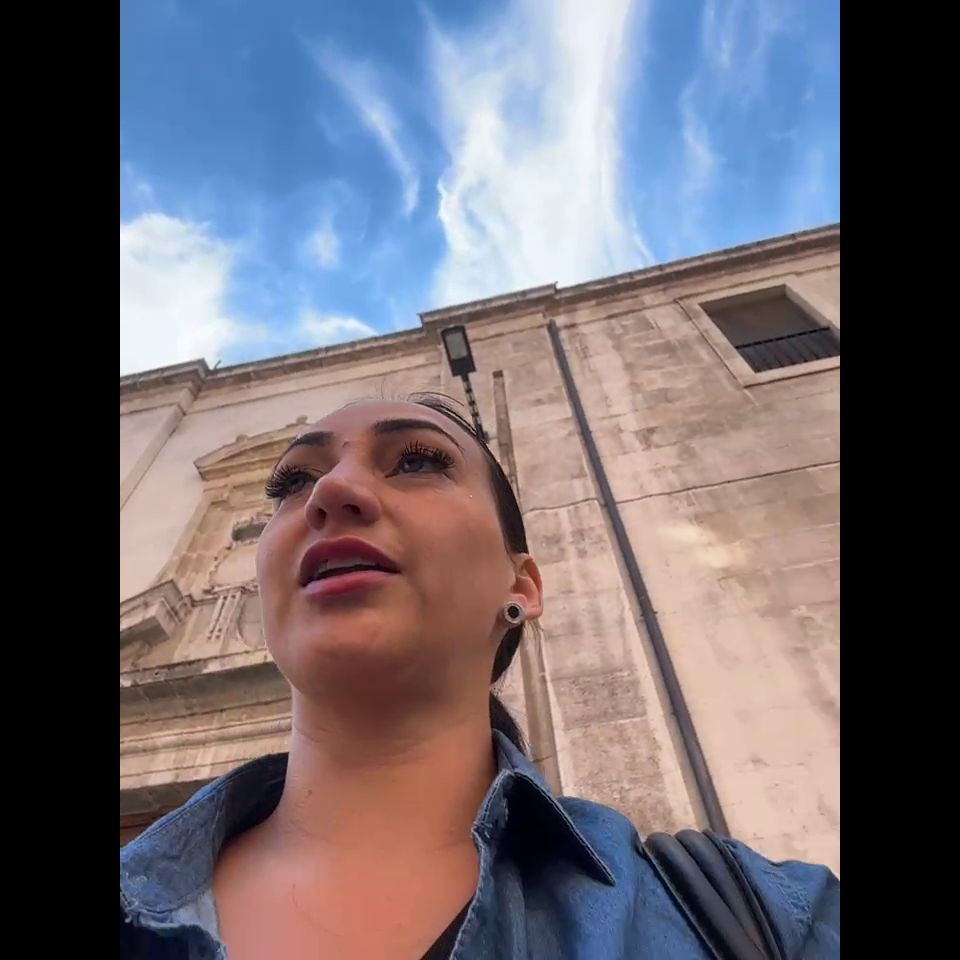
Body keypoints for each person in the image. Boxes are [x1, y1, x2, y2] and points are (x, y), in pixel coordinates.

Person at [120, 394, 840, 959]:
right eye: (293, 481)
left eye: (416, 462)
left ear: (521, 585)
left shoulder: (774, 918)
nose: (330, 492)